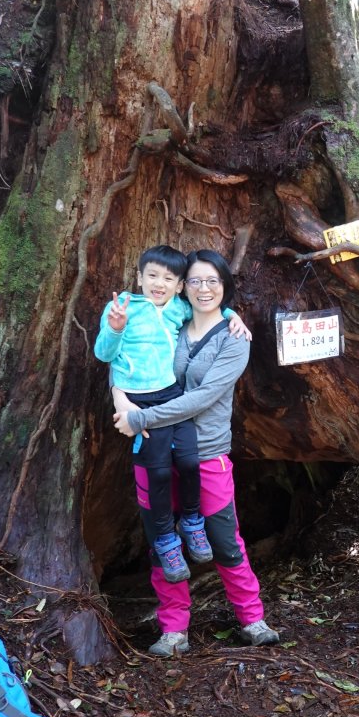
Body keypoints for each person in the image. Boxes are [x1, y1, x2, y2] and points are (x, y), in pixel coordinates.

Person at [112, 249, 280, 655]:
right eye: (196, 281)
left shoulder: (234, 338)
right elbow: (125, 358)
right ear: (183, 287)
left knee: (223, 538)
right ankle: (174, 629)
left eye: (213, 282)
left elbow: (204, 397)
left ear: (225, 287)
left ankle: (252, 618)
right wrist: (120, 399)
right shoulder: (168, 320)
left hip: (206, 453)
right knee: (163, 541)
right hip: (154, 449)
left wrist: (142, 418)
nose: (204, 289)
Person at [95, 245, 214, 583]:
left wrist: (235, 319)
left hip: (171, 396)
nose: (158, 283)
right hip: (138, 400)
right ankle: (166, 540)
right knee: (159, 473)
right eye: (151, 276)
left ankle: (192, 522)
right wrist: (115, 327)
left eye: (168, 278)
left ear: (179, 285)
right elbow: (103, 354)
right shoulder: (123, 308)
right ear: (139, 277)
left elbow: (211, 312)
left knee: (191, 462)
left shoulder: (179, 308)